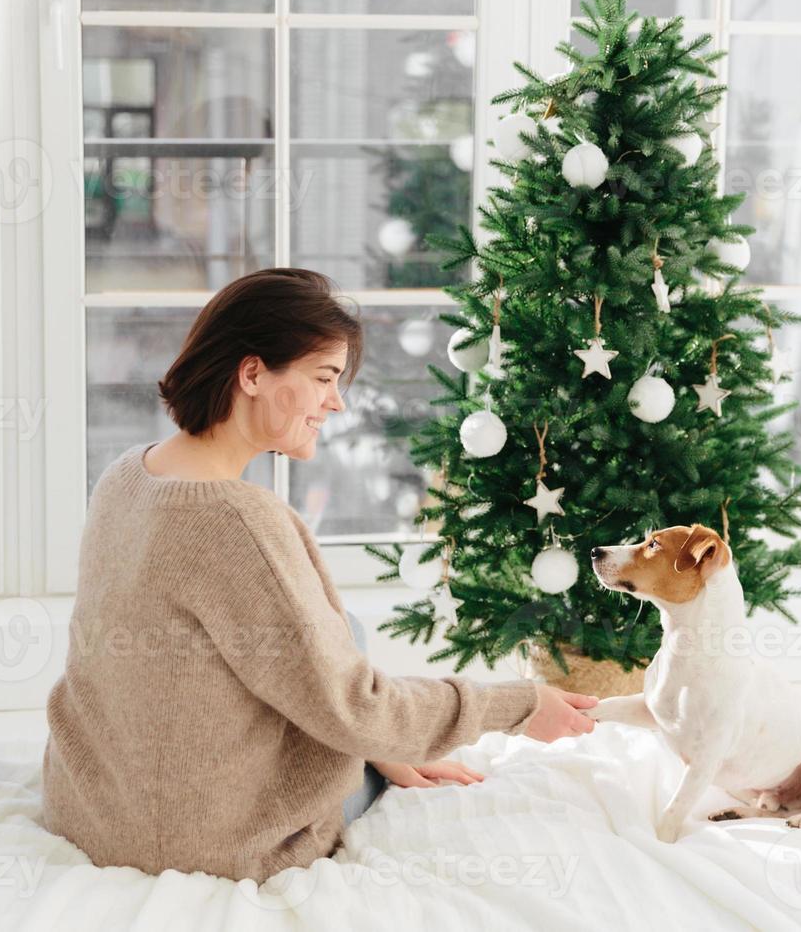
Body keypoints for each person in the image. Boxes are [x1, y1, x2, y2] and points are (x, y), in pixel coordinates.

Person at [41, 268, 598, 883]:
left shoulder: (127, 474)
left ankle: (385, 749)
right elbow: (356, 705)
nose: (336, 403)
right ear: (252, 374)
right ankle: (385, 751)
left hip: (91, 806)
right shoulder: (237, 524)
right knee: (344, 650)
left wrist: (379, 739)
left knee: (339, 634)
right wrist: (519, 704)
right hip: (209, 843)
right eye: (324, 379)